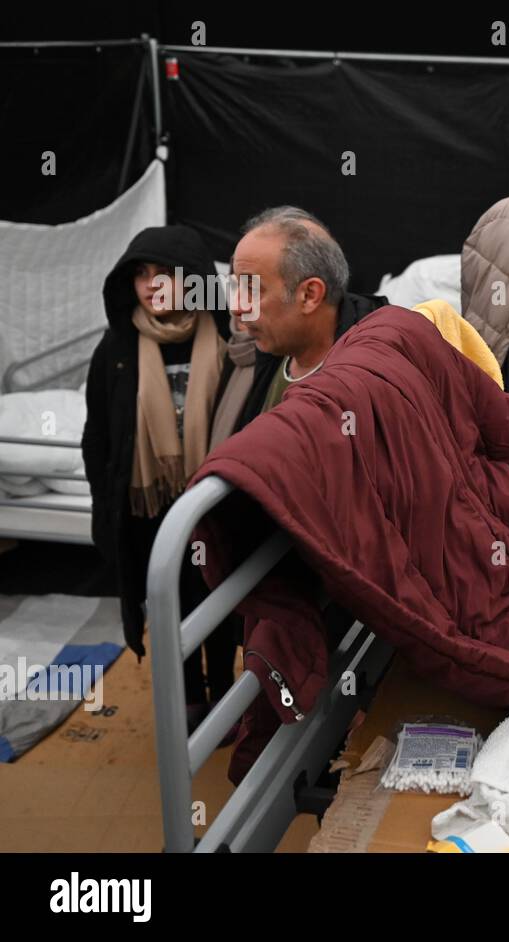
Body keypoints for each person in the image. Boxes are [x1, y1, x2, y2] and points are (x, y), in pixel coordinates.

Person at [81, 225, 238, 732]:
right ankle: (190, 697)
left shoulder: (232, 338)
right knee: (169, 604)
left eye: (164, 274)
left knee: (220, 596)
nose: (151, 285)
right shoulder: (118, 349)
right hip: (148, 508)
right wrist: (105, 507)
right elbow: (99, 434)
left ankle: (228, 689)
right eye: (140, 275)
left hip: (217, 503)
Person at [211, 206, 387, 436]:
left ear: (309, 295)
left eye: (252, 289)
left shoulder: (369, 391)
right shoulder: (264, 352)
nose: (237, 307)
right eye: (236, 287)